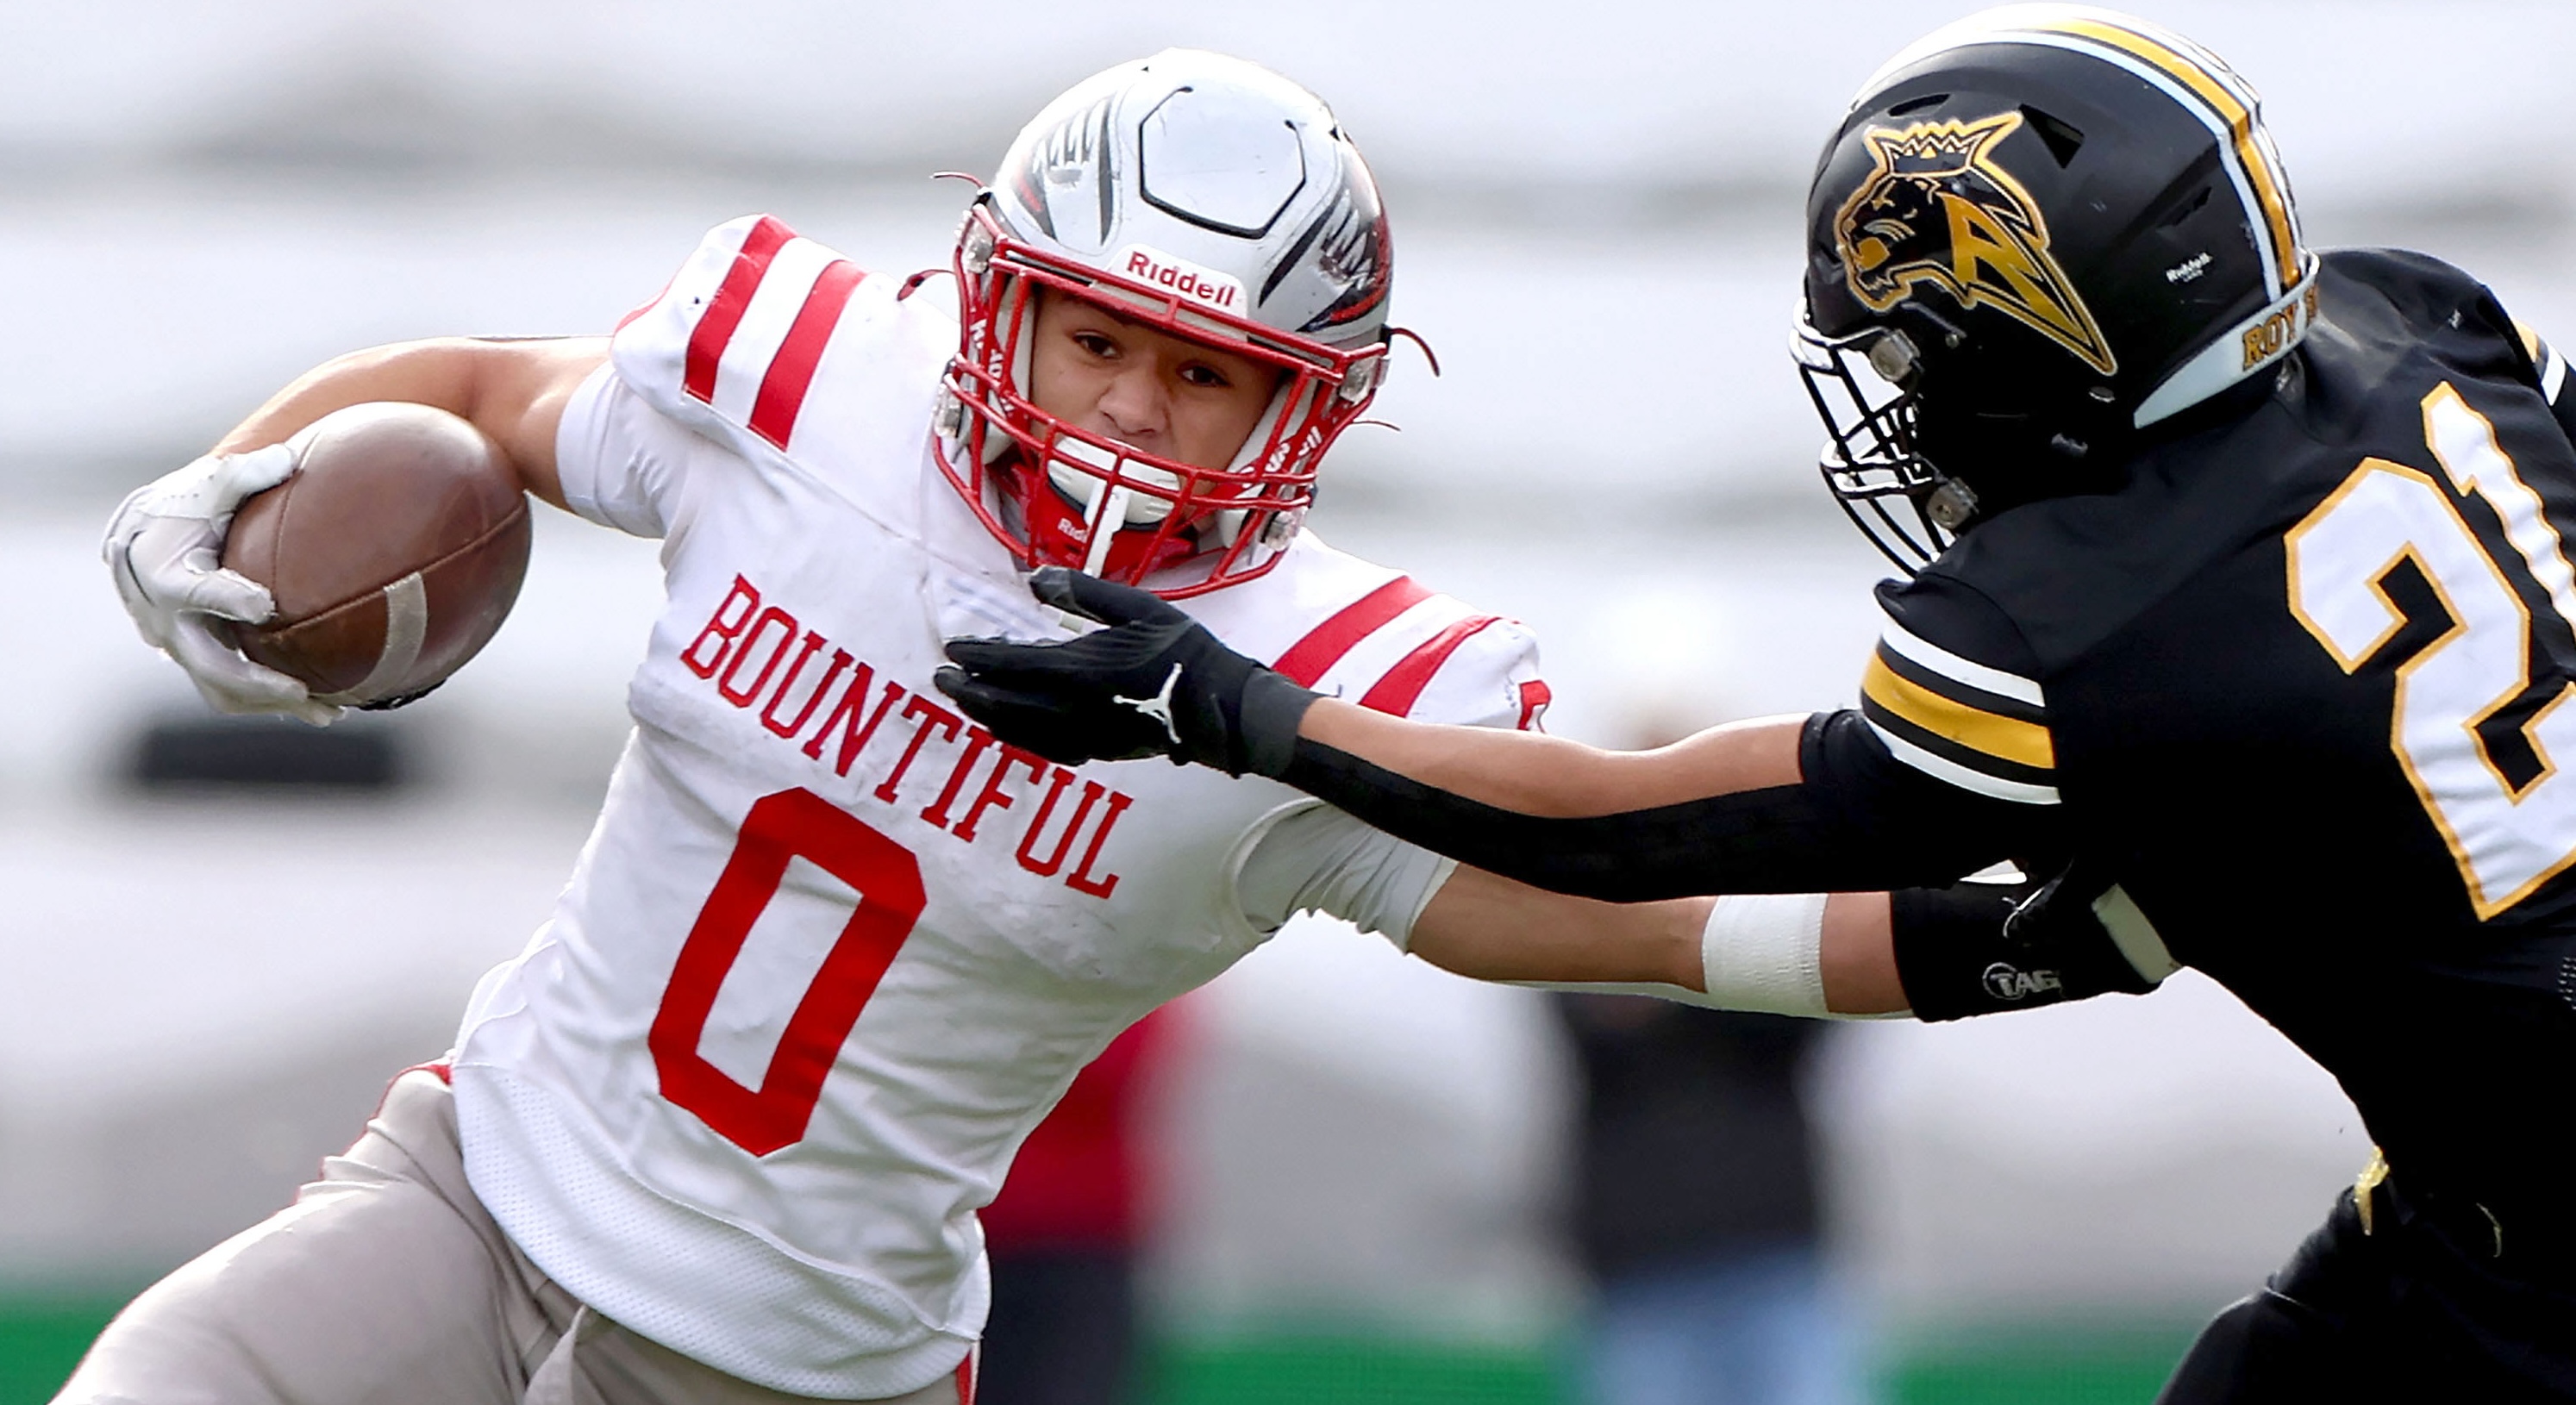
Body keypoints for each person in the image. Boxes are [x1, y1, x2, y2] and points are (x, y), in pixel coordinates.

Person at [78, 50, 1797, 1405]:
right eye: (1100, 337)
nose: (1132, 407)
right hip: (475, 1187)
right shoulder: (816, 396)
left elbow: (1645, 901)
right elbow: (468, 394)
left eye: (1204, 373)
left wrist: (1993, 920)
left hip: (788, 1359)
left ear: (1305, 399)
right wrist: (225, 481)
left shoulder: (1316, 678)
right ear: (1005, 300)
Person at [935, 8, 2576, 1402]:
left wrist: (1230, 703)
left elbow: (1642, 829)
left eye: (1919, 353)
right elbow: (2152, 886)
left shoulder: (2093, 613)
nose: (1910, 405)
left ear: (2057, 341)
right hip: (2471, 1189)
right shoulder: (2418, 324)